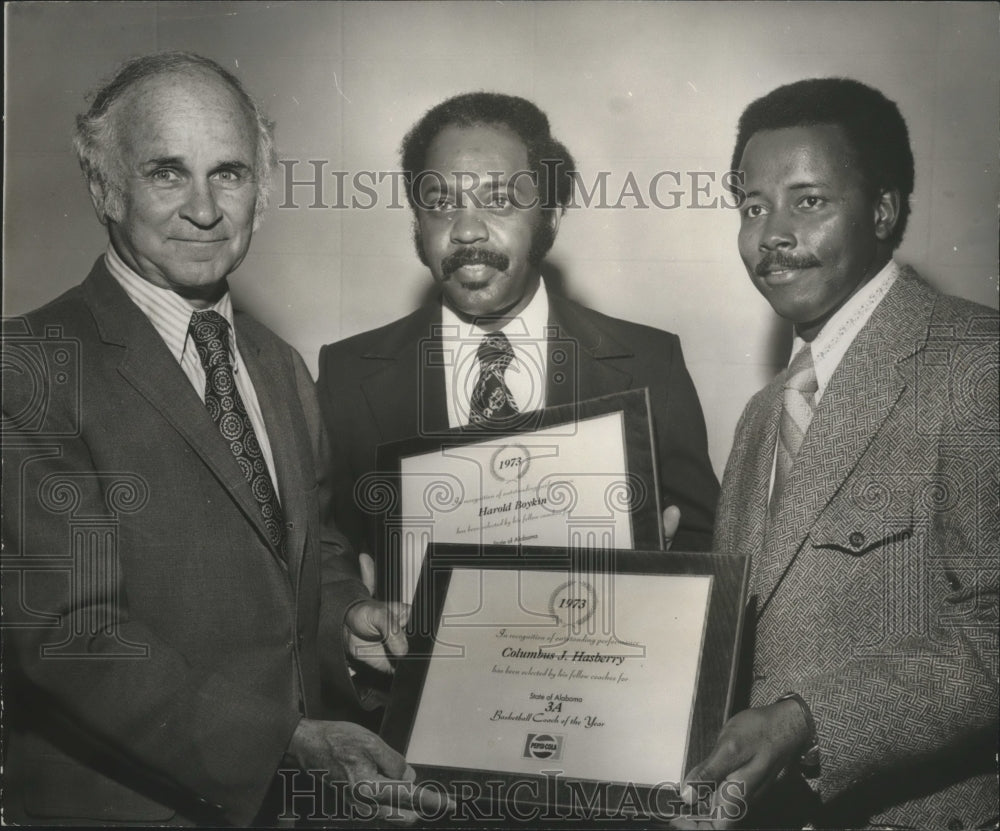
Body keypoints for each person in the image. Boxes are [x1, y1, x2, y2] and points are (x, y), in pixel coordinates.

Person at [1, 52, 442, 826]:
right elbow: (73, 634)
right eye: (168, 172)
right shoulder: (32, 366)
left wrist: (347, 616)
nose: (204, 208)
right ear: (104, 187)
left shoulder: (280, 364)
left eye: (230, 173)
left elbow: (309, 548)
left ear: (262, 195)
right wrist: (284, 741)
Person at [680, 78, 998, 829]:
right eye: (752, 207)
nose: (772, 234)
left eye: (808, 201)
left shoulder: (976, 366)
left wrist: (805, 720)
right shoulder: (763, 416)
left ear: (883, 210)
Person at [317, 92, 719, 563]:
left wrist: (662, 574)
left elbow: (704, 540)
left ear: (549, 214)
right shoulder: (347, 376)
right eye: (441, 204)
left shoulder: (651, 363)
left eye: (500, 201)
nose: (466, 231)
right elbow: (324, 549)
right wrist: (350, 607)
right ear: (417, 222)